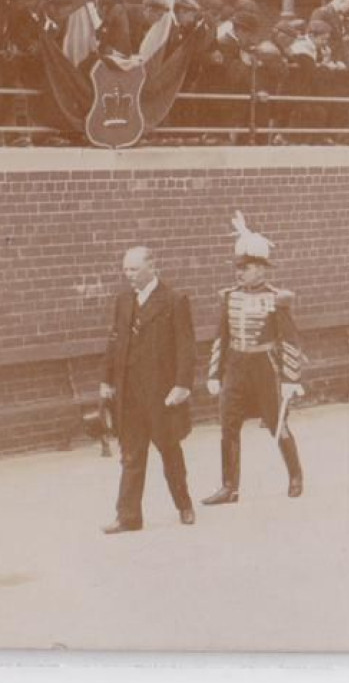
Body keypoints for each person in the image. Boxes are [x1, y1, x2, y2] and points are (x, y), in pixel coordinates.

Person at [201, 214, 307, 505]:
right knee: (228, 424)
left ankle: (295, 475)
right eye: (238, 268)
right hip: (235, 366)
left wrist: (290, 379)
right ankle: (229, 486)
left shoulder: (277, 299)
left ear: (261, 269)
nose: (239, 273)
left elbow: (290, 341)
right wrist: (213, 374)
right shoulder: (229, 297)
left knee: (276, 423)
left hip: (265, 368)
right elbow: (221, 338)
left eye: (245, 268)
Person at [99, 246, 195, 534]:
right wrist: (107, 380)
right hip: (129, 394)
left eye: (134, 269)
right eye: (126, 270)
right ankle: (128, 516)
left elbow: (186, 347)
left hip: (161, 393)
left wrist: (182, 385)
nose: (128, 275)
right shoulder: (123, 300)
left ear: (152, 266)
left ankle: (184, 505)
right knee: (131, 455)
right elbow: (114, 342)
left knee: (169, 450)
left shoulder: (174, 300)